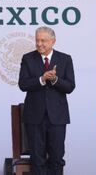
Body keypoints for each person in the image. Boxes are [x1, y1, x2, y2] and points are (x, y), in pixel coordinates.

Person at [18, 26, 75, 175]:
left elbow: (70, 86)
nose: (39, 44)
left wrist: (55, 79)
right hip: (34, 117)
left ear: (53, 41)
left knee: (57, 158)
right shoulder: (28, 58)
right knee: (37, 159)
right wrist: (42, 79)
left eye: (43, 40)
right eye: (37, 40)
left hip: (57, 117)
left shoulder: (65, 58)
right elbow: (23, 85)